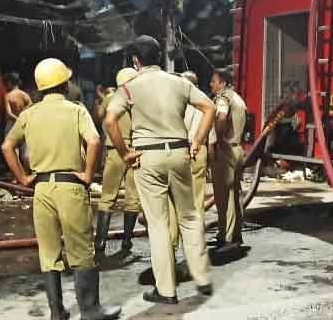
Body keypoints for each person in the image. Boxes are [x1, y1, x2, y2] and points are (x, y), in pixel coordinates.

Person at [1, 58, 120, 320]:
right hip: (70, 187)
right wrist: (88, 174)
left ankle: (57, 312)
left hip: (41, 189)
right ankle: (90, 310)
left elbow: (7, 146)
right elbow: (94, 140)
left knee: (49, 252)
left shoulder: (28, 114)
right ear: (64, 84)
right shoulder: (75, 110)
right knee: (81, 250)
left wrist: (22, 178)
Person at [105, 35, 215, 304]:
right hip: (179, 152)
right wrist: (197, 141)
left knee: (158, 224)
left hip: (147, 157)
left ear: (135, 61)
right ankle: (201, 277)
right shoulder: (178, 81)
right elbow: (209, 107)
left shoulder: (130, 88)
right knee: (189, 216)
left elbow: (110, 121)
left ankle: (166, 290)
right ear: (159, 56)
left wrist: (125, 153)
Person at [94, 67, 140, 257]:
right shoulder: (139, 99)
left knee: (108, 196)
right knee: (133, 198)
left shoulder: (111, 98)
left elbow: (99, 116)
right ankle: (127, 241)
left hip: (115, 151)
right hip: (136, 152)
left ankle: (101, 241)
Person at [168, 71, 211, 252]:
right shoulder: (206, 102)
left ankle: (172, 244)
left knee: (174, 201)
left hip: (180, 151)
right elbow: (212, 134)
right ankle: (195, 245)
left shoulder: (177, 101)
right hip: (200, 150)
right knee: (197, 200)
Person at [209, 68, 247, 250]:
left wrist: (218, 137)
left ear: (222, 83)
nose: (211, 85)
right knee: (234, 193)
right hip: (238, 149)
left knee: (223, 197)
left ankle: (227, 237)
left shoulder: (223, 98)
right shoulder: (238, 98)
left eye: (213, 81)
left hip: (226, 150)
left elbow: (222, 117)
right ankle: (234, 234)